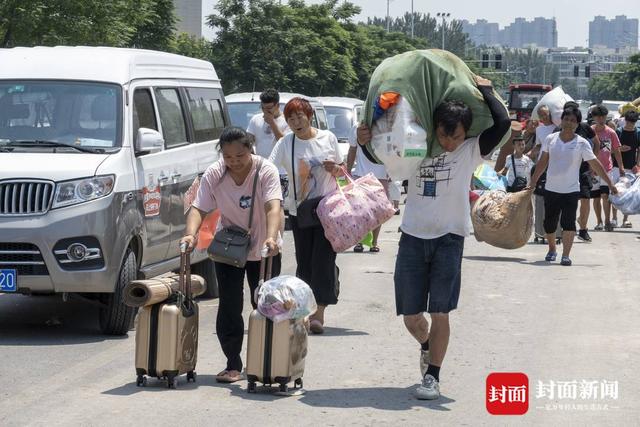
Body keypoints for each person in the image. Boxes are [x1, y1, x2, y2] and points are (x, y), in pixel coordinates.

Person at [357, 76, 511, 400]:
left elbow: (503, 122)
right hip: (412, 236)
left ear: (465, 133)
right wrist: (362, 142)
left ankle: (433, 377)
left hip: (450, 238)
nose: (449, 142)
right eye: (444, 134)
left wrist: (485, 89)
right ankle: (426, 345)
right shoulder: (414, 144)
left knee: (441, 311)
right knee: (412, 317)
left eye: (454, 136)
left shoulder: (470, 150)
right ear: (435, 127)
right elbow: (380, 156)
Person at [180, 127, 283, 383]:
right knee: (229, 306)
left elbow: (273, 207)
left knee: (265, 305)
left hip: (264, 247)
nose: (234, 162)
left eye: (240, 155)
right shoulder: (215, 173)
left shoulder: (265, 170)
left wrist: (271, 237)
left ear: (251, 149)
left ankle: (265, 361)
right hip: (230, 248)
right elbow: (198, 207)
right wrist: (191, 235)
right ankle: (233, 364)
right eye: (228, 157)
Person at [269, 97, 344, 335]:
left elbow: (342, 172)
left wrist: (335, 169)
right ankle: (306, 307)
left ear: (309, 116)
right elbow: (269, 168)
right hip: (299, 211)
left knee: (323, 261)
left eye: (299, 116)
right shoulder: (286, 143)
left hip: (327, 209)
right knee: (304, 262)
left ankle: (318, 314)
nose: (296, 122)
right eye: (290, 118)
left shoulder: (328, 138)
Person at [530, 105, 618, 266]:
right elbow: (542, 162)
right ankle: (552, 249)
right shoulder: (551, 139)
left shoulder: (582, 143)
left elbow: (596, 163)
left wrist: (610, 183)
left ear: (578, 124)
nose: (569, 123)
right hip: (551, 188)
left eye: (573, 120)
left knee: (568, 223)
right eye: (566, 119)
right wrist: (533, 182)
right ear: (561, 120)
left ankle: (566, 255)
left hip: (571, 190)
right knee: (549, 224)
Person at [346, 123, 393, 252]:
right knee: (360, 211)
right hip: (361, 175)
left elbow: (391, 152)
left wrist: (391, 172)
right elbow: (352, 149)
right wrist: (348, 171)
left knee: (378, 212)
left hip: (381, 176)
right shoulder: (356, 127)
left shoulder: (386, 127)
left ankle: (374, 242)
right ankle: (359, 242)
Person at [247, 88, 291, 202]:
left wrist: (271, 122)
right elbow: (248, 141)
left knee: (276, 203)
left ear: (277, 105)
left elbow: (284, 142)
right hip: (260, 170)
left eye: (269, 109)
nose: (265, 112)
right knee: (259, 204)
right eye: (263, 108)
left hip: (280, 172)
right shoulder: (255, 119)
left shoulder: (287, 121)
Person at [590, 105, 624, 232]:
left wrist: (621, 167)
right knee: (596, 197)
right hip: (593, 170)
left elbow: (616, 150)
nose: (601, 119)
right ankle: (599, 221)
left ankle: (607, 221)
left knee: (606, 195)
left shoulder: (611, 132)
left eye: (603, 116)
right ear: (594, 117)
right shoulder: (590, 131)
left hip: (607, 169)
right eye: (598, 116)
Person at [613, 110, 640, 228]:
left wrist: (637, 164)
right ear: (625, 120)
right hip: (616, 166)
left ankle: (625, 219)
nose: (631, 125)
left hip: (631, 167)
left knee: (628, 194)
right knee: (615, 192)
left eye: (633, 123)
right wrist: (619, 149)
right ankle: (614, 218)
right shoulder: (618, 131)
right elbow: (612, 149)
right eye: (629, 122)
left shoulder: (638, 133)